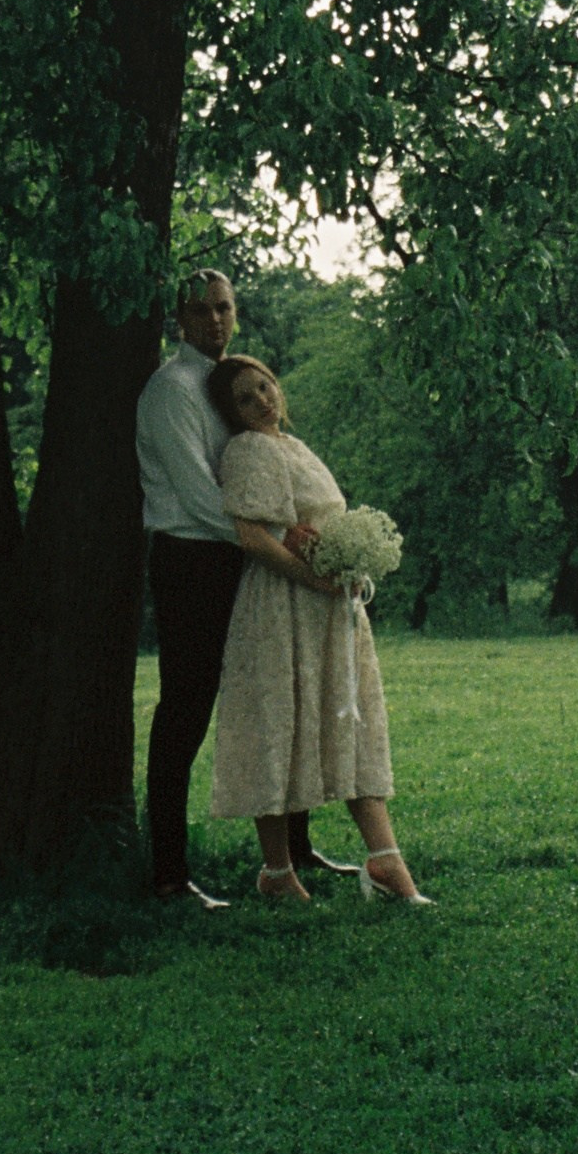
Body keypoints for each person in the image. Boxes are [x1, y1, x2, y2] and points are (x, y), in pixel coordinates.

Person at [135, 274, 341, 907]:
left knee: (283, 692)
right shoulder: (171, 391)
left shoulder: (235, 383)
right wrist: (283, 536)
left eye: (224, 308)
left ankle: (294, 852)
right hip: (193, 560)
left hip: (247, 556)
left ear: (236, 313)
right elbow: (201, 497)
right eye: (200, 310)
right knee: (187, 709)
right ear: (180, 320)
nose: (214, 321)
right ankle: (169, 874)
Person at [205, 353, 431, 906]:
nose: (261, 400)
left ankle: (385, 862)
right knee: (278, 721)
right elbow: (254, 536)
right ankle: (277, 871)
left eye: (265, 387)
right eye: (245, 397)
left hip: (330, 606)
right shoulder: (248, 449)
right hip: (281, 605)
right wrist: (315, 578)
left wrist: (348, 568)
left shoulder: (295, 446)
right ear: (231, 414)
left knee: (351, 721)